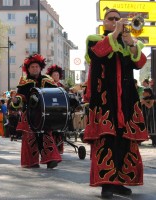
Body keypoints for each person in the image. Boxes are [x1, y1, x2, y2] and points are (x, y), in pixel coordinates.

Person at [83, 8, 149, 199]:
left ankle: (119, 182)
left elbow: (140, 63)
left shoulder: (128, 43)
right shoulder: (95, 39)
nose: (114, 21)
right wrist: (115, 33)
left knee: (125, 141)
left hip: (127, 100)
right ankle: (107, 183)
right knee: (107, 139)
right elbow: (97, 53)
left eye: (117, 19)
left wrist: (131, 44)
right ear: (103, 22)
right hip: (105, 99)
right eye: (110, 19)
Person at [15, 54, 62, 169]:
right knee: (30, 136)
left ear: (40, 68)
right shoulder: (24, 82)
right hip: (29, 113)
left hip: (44, 113)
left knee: (47, 135)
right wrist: (17, 99)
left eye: (36, 66)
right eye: (32, 67)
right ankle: (31, 162)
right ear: (28, 69)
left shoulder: (48, 80)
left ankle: (51, 160)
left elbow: (54, 95)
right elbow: (20, 96)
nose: (35, 68)